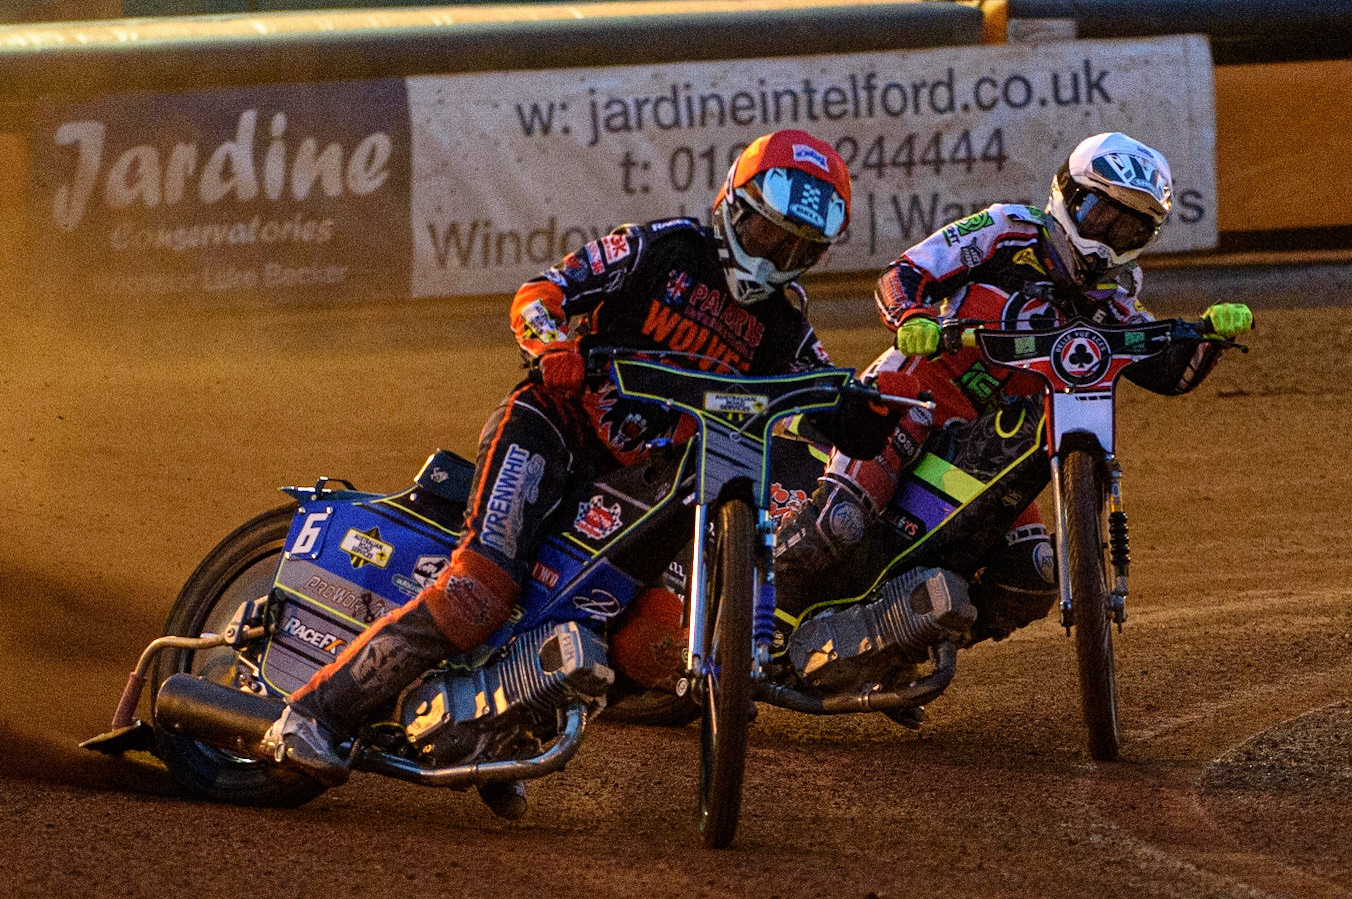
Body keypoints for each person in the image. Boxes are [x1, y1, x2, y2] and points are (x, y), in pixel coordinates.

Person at [261, 129, 906, 793]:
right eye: (774, 237)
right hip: (554, 428)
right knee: (479, 590)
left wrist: (870, 408)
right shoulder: (664, 246)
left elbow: (827, 391)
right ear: (736, 210)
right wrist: (551, 347)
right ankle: (314, 713)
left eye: (800, 248)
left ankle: (501, 714)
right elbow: (543, 291)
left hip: (639, 483)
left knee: (646, 641)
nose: (781, 257)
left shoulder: (784, 324)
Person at [772, 131, 1254, 653]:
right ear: (1067, 195)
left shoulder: (1117, 292)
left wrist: (1209, 338)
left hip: (998, 441)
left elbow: (1164, 370)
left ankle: (907, 646)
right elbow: (905, 273)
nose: (1109, 236)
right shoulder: (1006, 230)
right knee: (837, 523)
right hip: (921, 396)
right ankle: (753, 628)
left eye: (1129, 227)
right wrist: (914, 317)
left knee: (1033, 574)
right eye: (1100, 215)